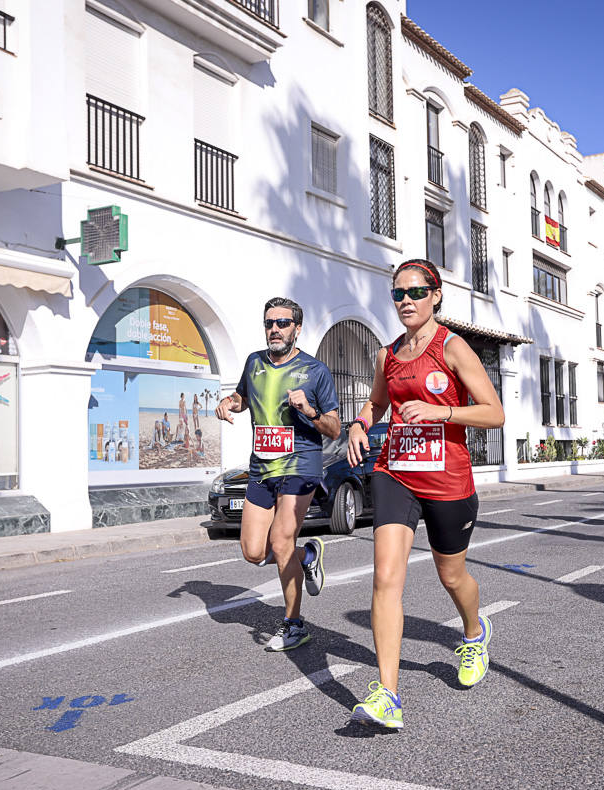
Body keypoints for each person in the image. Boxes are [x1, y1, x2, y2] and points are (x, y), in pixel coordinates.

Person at [345, 259, 504, 729]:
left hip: (448, 481)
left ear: (435, 295)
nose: (406, 301)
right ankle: (388, 695)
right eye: (398, 294)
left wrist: (442, 414)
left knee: (451, 577)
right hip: (395, 472)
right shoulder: (386, 355)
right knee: (385, 577)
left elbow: (493, 413)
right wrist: (359, 422)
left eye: (416, 292)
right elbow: (376, 403)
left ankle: (474, 633)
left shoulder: (452, 348)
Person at [215, 297, 341, 652]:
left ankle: (293, 624)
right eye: (270, 322)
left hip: (300, 466)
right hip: (262, 467)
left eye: (283, 323)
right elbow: (243, 398)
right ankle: (307, 557)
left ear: (297, 328)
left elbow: (334, 429)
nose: (275, 329)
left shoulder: (315, 371)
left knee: (282, 541)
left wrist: (309, 410)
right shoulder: (254, 362)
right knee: (254, 552)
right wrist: (228, 403)